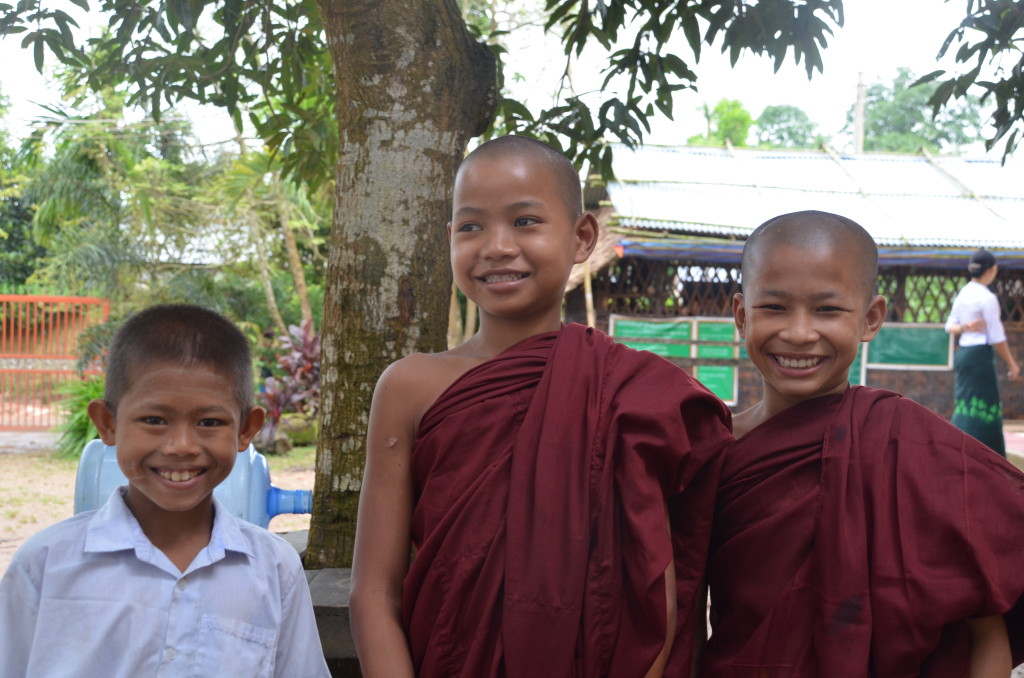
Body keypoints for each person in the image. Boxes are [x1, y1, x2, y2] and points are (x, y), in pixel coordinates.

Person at [349, 135, 733, 678]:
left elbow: (658, 586)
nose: (497, 246)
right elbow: (372, 592)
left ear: (582, 237)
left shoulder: (630, 392)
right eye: (471, 226)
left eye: (525, 221)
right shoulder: (411, 386)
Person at [702, 211, 1024, 677]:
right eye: (773, 307)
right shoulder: (714, 449)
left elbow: (985, 633)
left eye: (828, 310)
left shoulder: (911, 447)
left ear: (872, 319)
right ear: (740, 316)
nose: (798, 332)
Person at [0, 304, 330, 678]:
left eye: (209, 422)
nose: (182, 445)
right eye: (155, 420)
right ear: (107, 424)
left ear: (246, 430)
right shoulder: (46, 564)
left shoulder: (274, 569)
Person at [945, 247, 1020, 456]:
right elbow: (997, 337)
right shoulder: (987, 298)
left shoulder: (963, 294)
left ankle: (958, 447)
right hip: (979, 357)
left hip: (964, 355)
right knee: (986, 404)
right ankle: (986, 455)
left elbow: (949, 326)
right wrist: (1012, 364)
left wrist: (964, 328)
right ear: (992, 269)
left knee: (966, 401)